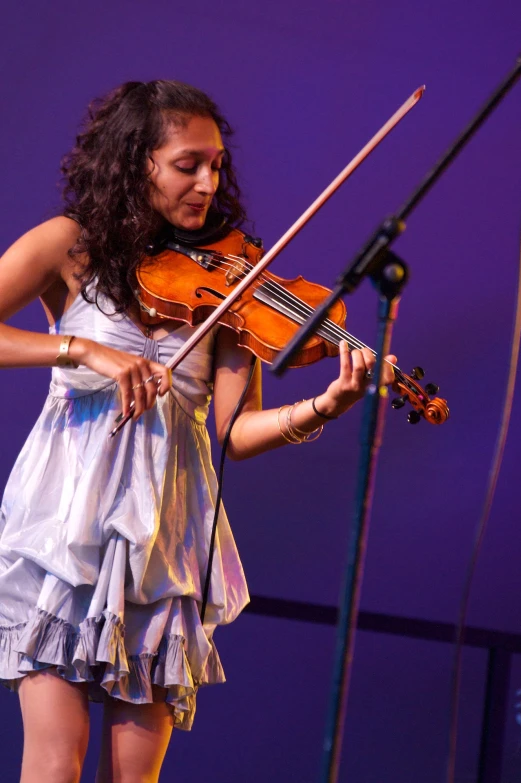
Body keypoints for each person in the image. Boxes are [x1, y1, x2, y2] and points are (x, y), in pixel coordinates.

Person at [0, 80, 396, 783]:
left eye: (216, 165)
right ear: (135, 162)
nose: (208, 182)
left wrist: (326, 405)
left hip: (167, 533)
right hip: (65, 527)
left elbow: (235, 433)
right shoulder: (70, 245)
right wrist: (80, 348)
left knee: (134, 776)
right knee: (55, 763)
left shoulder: (234, 285)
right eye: (188, 164)